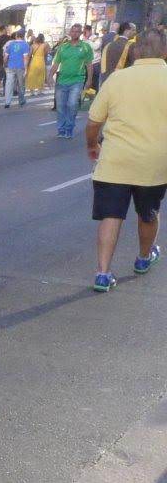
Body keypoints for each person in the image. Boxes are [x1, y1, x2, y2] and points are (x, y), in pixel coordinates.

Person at [86, 30, 167, 293]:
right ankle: (143, 258)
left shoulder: (117, 79)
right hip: (155, 163)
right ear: (165, 52)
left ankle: (102, 273)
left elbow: (93, 122)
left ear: (135, 51)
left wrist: (92, 145)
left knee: (111, 215)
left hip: (115, 161)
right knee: (148, 213)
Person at [50, 24, 94, 139]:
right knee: (60, 106)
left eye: (77, 31)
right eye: (73, 31)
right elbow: (56, 63)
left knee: (72, 104)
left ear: (81, 33)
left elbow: (89, 65)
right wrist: (50, 76)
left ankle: (69, 128)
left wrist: (89, 80)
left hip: (77, 80)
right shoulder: (63, 47)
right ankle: (61, 130)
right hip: (62, 80)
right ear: (70, 32)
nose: (75, 33)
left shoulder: (85, 47)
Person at [99, 22, 138, 86]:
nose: (135, 32)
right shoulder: (131, 46)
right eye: (133, 30)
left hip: (105, 80)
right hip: (121, 81)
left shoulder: (108, 45)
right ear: (126, 31)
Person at [3, 30, 30, 108]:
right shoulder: (25, 45)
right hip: (20, 67)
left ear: (16, 36)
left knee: (9, 84)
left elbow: (6, 56)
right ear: (23, 36)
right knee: (21, 84)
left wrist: (5, 65)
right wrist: (26, 69)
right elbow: (25, 58)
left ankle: (7, 102)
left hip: (10, 66)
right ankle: (21, 100)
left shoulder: (11, 44)